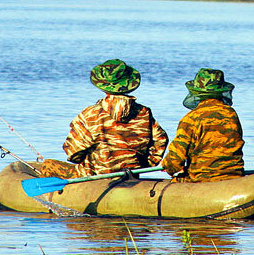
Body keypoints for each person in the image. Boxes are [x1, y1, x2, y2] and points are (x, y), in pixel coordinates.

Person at [40, 59, 168, 179]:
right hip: (130, 175)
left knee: (47, 165)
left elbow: (73, 154)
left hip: (95, 177)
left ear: (103, 87)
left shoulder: (90, 114)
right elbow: (160, 140)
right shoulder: (144, 113)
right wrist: (144, 165)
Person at [161, 68, 245, 182]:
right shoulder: (231, 114)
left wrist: (168, 167)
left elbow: (175, 159)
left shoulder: (190, 119)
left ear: (197, 92)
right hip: (234, 177)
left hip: (202, 180)